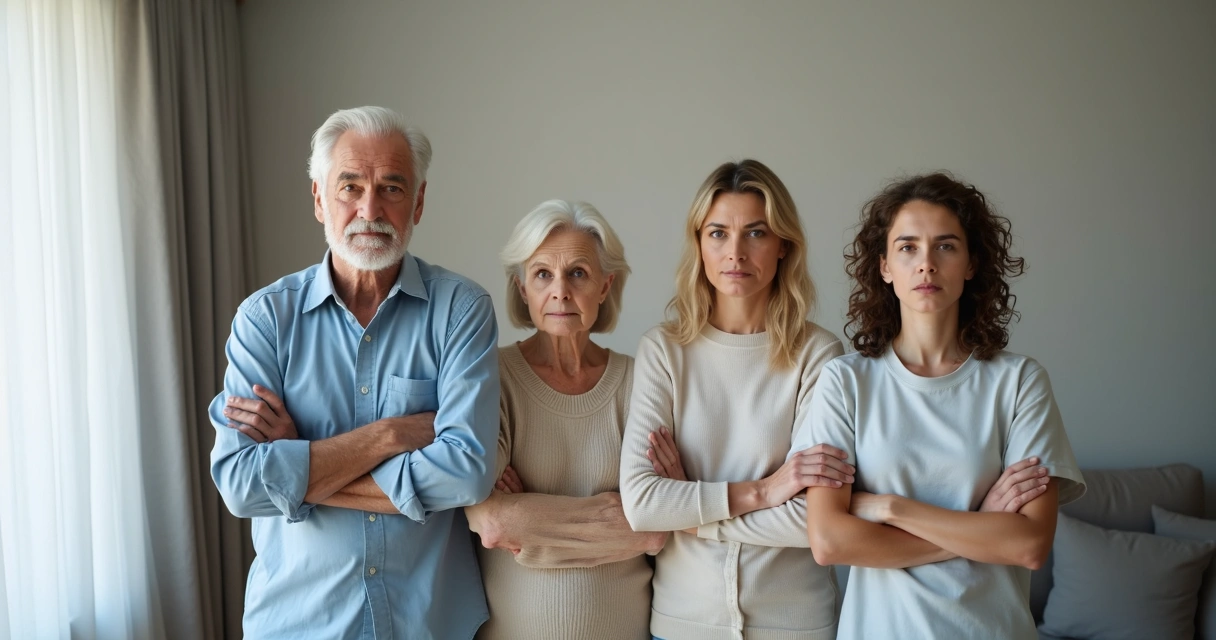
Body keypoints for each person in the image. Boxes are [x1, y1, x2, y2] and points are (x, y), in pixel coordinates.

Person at [209, 106, 499, 639]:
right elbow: (240, 483)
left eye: (392, 187)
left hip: (428, 624)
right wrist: (389, 435)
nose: (371, 208)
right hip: (296, 624)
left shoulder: (461, 309)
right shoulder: (265, 318)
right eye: (350, 187)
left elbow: (466, 473)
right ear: (319, 199)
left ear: (419, 202)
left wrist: (299, 465)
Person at [802, 172, 1086, 639]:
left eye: (946, 246)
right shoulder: (846, 381)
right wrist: (982, 528)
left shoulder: (1018, 381)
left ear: (972, 263)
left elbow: (1030, 545)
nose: (927, 264)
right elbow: (830, 541)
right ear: (885, 266)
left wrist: (891, 508)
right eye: (908, 247)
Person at [463, 200, 664, 639]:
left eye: (577, 272)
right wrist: (613, 516)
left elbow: (658, 531)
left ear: (605, 285)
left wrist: (531, 525)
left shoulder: (640, 380)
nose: (560, 291)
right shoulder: (488, 377)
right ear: (522, 288)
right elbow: (494, 523)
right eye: (542, 274)